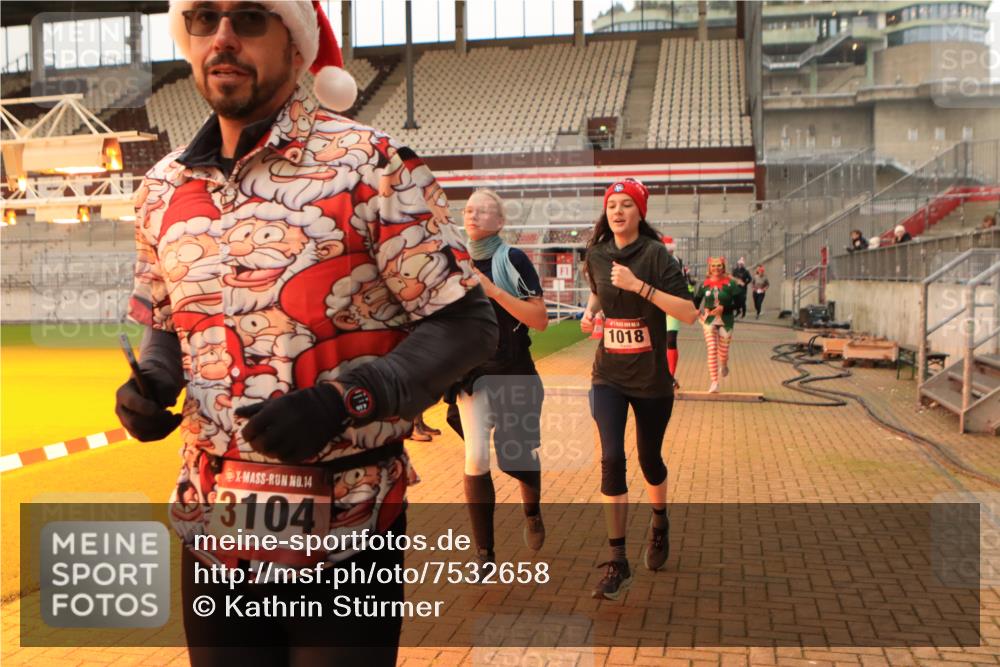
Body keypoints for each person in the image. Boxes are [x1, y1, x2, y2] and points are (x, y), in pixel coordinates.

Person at [114, 2, 497, 664]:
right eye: (204, 18)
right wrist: (152, 383)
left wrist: (344, 399)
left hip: (346, 527)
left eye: (250, 18)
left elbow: (466, 324)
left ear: (296, 45)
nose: (224, 37)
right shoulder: (160, 188)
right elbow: (168, 325)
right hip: (215, 529)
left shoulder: (373, 164)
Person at [580, 178, 698, 600]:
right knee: (612, 458)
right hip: (607, 375)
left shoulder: (656, 255)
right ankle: (618, 561)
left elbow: (688, 312)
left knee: (650, 459)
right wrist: (591, 312)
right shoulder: (595, 254)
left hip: (651, 380)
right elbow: (599, 291)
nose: (618, 211)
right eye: (612, 205)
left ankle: (660, 520)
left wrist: (641, 287)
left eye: (627, 204)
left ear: (640, 212)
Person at [453, 189, 548, 567]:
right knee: (475, 456)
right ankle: (484, 554)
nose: (474, 215)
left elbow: (539, 319)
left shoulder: (515, 259)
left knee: (517, 454)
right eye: (469, 209)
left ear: (500, 221)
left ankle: (532, 511)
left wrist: (492, 290)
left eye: (484, 210)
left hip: (512, 370)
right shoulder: (453, 261)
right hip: (472, 373)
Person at [693, 257, 743, 393]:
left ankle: (724, 364)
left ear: (723, 267)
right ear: (709, 268)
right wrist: (697, 312)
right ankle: (714, 382)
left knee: (723, 351)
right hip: (709, 320)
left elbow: (740, 304)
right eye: (713, 266)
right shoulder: (704, 285)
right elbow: (695, 301)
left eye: (719, 266)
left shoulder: (731, 284)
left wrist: (724, 308)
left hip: (726, 320)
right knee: (712, 348)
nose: (716, 268)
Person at [661, 236, 685, 389]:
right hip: (657, 304)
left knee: (671, 340)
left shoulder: (678, 262)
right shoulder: (654, 261)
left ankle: (670, 376)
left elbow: (682, 283)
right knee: (658, 341)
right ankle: (659, 375)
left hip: (673, 305)